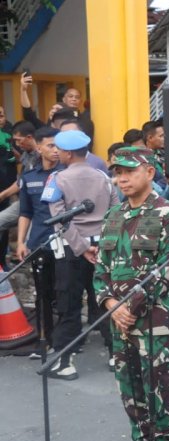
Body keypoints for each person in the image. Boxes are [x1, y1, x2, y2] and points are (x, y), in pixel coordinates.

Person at [93, 147, 169, 441]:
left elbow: (167, 269)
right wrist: (109, 304)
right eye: (117, 172)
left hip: (155, 319)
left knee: (159, 391)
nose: (122, 178)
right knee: (130, 390)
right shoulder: (114, 214)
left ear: (149, 172)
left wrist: (128, 307)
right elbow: (100, 267)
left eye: (129, 171)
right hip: (119, 319)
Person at [42, 130, 118, 380]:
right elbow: (116, 212)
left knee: (69, 305)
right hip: (103, 249)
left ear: (67, 153)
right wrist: (101, 245)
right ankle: (115, 355)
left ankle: (66, 361)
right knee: (106, 301)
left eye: (59, 149)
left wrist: (81, 247)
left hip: (71, 251)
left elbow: (59, 221)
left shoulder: (57, 178)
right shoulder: (104, 177)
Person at [16, 127, 63, 348]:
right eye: (50, 145)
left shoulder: (68, 173)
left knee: (64, 292)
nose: (55, 150)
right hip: (39, 243)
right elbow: (25, 213)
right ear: (39, 147)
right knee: (42, 294)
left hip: (65, 243)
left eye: (58, 146)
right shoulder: (29, 177)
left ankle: (66, 339)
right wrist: (21, 242)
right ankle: (45, 338)